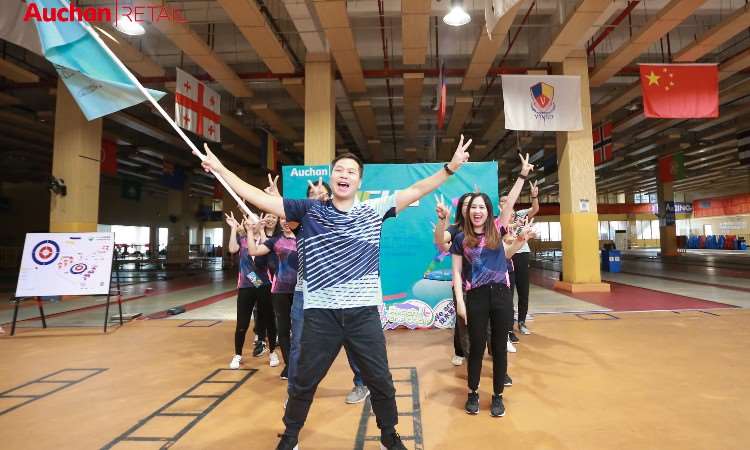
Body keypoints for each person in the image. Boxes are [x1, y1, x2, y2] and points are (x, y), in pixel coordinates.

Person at [198, 135, 472, 450]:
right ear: (331, 177)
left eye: (351, 172)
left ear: (359, 181)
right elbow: (259, 198)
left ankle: (388, 435)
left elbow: (417, 189)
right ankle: (290, 436)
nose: (344, 175)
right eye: (339, 170)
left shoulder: (374, 209)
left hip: (363, 315)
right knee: (303, 380)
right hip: (320, 316)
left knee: (380, 379)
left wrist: (451, 168)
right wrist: (221, 169)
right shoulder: (308, 210)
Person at [451, 153, 535, 418]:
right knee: (476, 347)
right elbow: (456, 274)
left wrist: (522, 175)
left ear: (488, 211)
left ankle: (498, 396)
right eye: (473, 207)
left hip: (501, 296)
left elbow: (510, 202)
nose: (477, 211)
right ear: (468, 211)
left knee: (499, 347)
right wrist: (461, 303)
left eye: (482, 207)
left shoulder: (497, 229)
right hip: (475, 297)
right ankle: (473, 392)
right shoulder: (460, 238)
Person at [279, 178, 369, 405]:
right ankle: (295, 393)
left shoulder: (342, 219)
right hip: (305, 292)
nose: (316, 197)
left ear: (330, 197)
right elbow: (285, 214)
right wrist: (274, 197)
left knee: (351, 341)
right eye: (311, 194)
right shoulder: (300, 222)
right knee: (299, 344)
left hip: (338, 292)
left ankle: (362, 383)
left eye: (321, 194)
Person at [247, 215, 299, 375]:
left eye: (287, 218)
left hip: (301, 291)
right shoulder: (275, 240)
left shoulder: (303, 238)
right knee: (282, 328)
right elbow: (253, 253)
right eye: (282, 218)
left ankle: (299, 364)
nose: (285, 221)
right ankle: (288, 364)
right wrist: (249, 231)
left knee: (301, 329)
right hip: (279, 291)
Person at [225, 212, 273, 370]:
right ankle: (237, 355)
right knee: (242, 323)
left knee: (268, 319)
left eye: (255, 221)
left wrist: (262, 229)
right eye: (249, 221)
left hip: (264, 285)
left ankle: (272, 351)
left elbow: (268, 253)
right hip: (246, 287)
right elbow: (232, 249)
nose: (252, 224)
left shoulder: (266, 240)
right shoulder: (243, 239)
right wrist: (233, 228)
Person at [434, 193, 473, 366]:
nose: (469, 207)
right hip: (462, 283)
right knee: (462, 319)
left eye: (473, 204)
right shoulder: (456, 228)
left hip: (484, 283)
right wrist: (443, 220)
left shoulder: (485, 227)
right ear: (460, 208)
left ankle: (492, 350)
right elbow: (440, 241)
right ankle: (460, 351)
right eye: (465, 204)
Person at [499, 180, 540, 338]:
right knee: (508, 292)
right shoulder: (499, 220)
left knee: (524, 291)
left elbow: (535, 209)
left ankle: (521, 322)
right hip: (507, 256)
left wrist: (534, 196)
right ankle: (508, 327)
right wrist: (515, 230)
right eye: (502, 201)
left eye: (507, 200)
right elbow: (504, 238)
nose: (505, 203)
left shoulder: (521, 214)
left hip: (521, 255)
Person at [253, 214, 280, 358]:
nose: (270, 219)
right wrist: (255, 283)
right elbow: (246, 260)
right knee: (260, 309)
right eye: (268, 216)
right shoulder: (254, 235)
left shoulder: (280, 237)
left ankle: (277, 335)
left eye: (274, 217)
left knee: (277, 309)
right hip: (258, 279)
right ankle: (261, 339)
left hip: (277, 279)